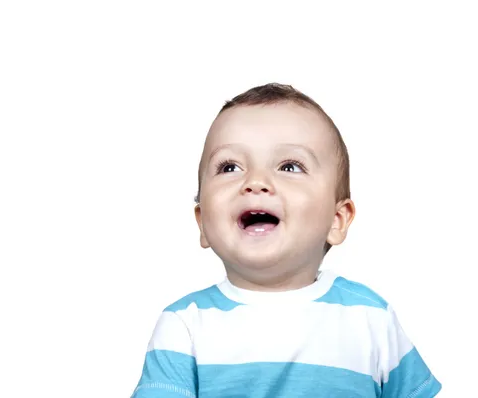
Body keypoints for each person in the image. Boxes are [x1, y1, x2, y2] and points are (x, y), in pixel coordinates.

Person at [131, 83, 441, 397]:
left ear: (337, 220)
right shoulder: (183, 327)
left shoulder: (371, 319)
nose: (255, 182)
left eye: (289, 166)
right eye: (229, 167)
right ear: (203, 224)